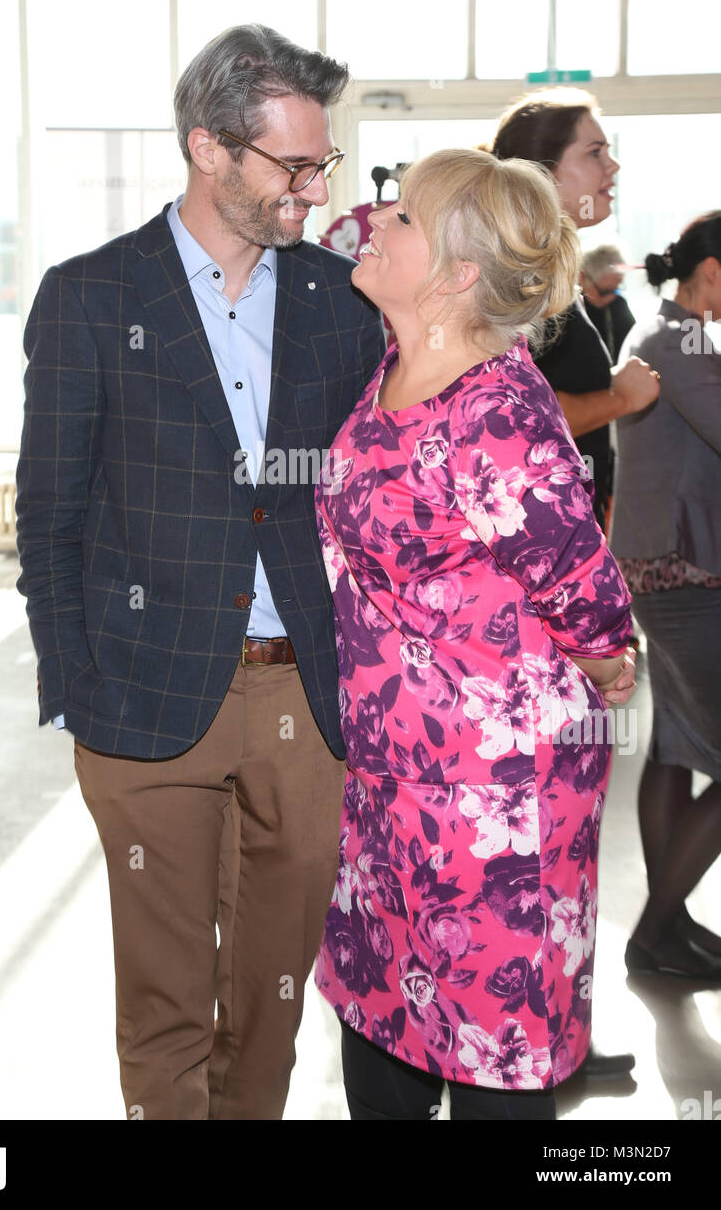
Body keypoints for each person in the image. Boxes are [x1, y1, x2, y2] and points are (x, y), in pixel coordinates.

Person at [15, 24, 384, 1120]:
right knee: (167, 992)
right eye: (293, 165)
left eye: (322, 164)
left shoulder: (341, 301)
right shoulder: (89, 296)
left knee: (271, 991)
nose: (313, 190)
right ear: (208, 149)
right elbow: (49, 513)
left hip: (304, 700)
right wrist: (77, 685)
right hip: (141, 695)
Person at [313, 148, 637, 1120]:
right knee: (387, 1014)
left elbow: (581, 586)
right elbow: (330, 235)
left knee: (494, 1039)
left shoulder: (493, 407)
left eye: (403, 217)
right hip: (393, 771)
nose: (377, 221)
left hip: (493, 795)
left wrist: (606, 663)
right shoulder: (403, 358)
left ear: (457, 275)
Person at [611, 212, 721, 981]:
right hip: (683, 575)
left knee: (674, 749)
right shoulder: (679, 340)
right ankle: (653, 933)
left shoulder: (669, 331)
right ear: (711, 271)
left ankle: (668, 926)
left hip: (664, 569)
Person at [489, 91, 659, 529]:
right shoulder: (524, 275)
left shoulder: (552, 271)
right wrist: (620, 397)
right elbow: (511, 417)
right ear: (543, 172)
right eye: (594, 152)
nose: (613, 166)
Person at [580, 242, 636, 363]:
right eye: (605, 291)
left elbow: (633, 347)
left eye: (617, 288)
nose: (612, 296)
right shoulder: (569, 312)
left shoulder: (619, 304)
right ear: (583, 278)